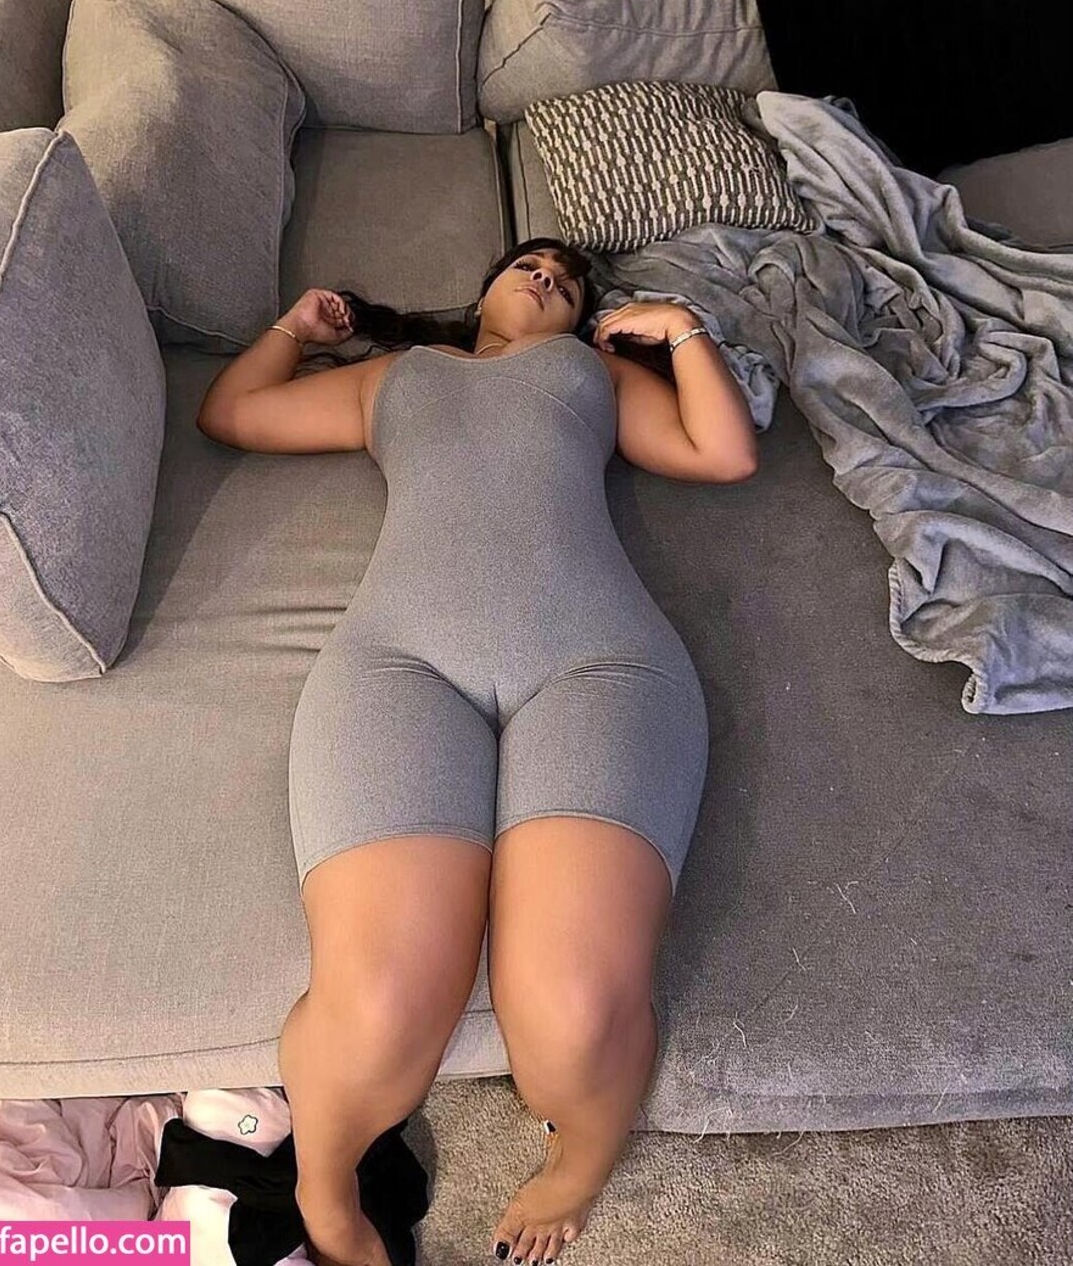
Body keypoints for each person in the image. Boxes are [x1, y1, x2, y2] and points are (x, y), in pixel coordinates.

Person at [196, 236, 758, 1266]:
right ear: (485, 286)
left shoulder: (594, 375)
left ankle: (577, 1163)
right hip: (398, 665)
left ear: (587, 318)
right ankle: (326, 1190)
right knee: (376, 1006)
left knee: (574, 1013)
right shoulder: (394, 376)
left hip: (599, 664)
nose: (548, 277)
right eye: (530, 264)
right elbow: (231, 413)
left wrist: (682, 331)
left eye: (570, 283)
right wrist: (296, 329)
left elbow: (725, 453)